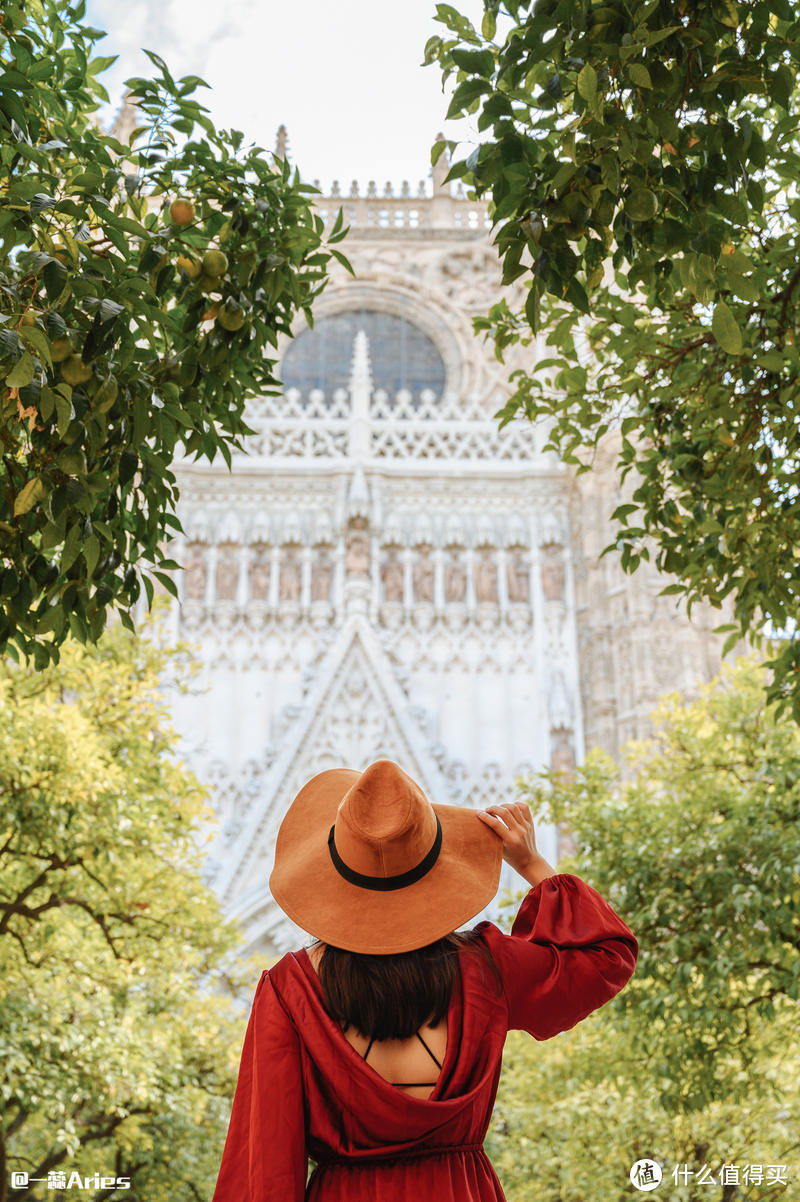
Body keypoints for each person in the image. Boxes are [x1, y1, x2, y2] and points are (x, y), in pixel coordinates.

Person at [211, 759, 638, 1201]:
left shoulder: (289, 990)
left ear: (333, 872)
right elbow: (605, 958)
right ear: (435, 862)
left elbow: (264, 1159)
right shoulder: (486, 968)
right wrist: (531, 862)